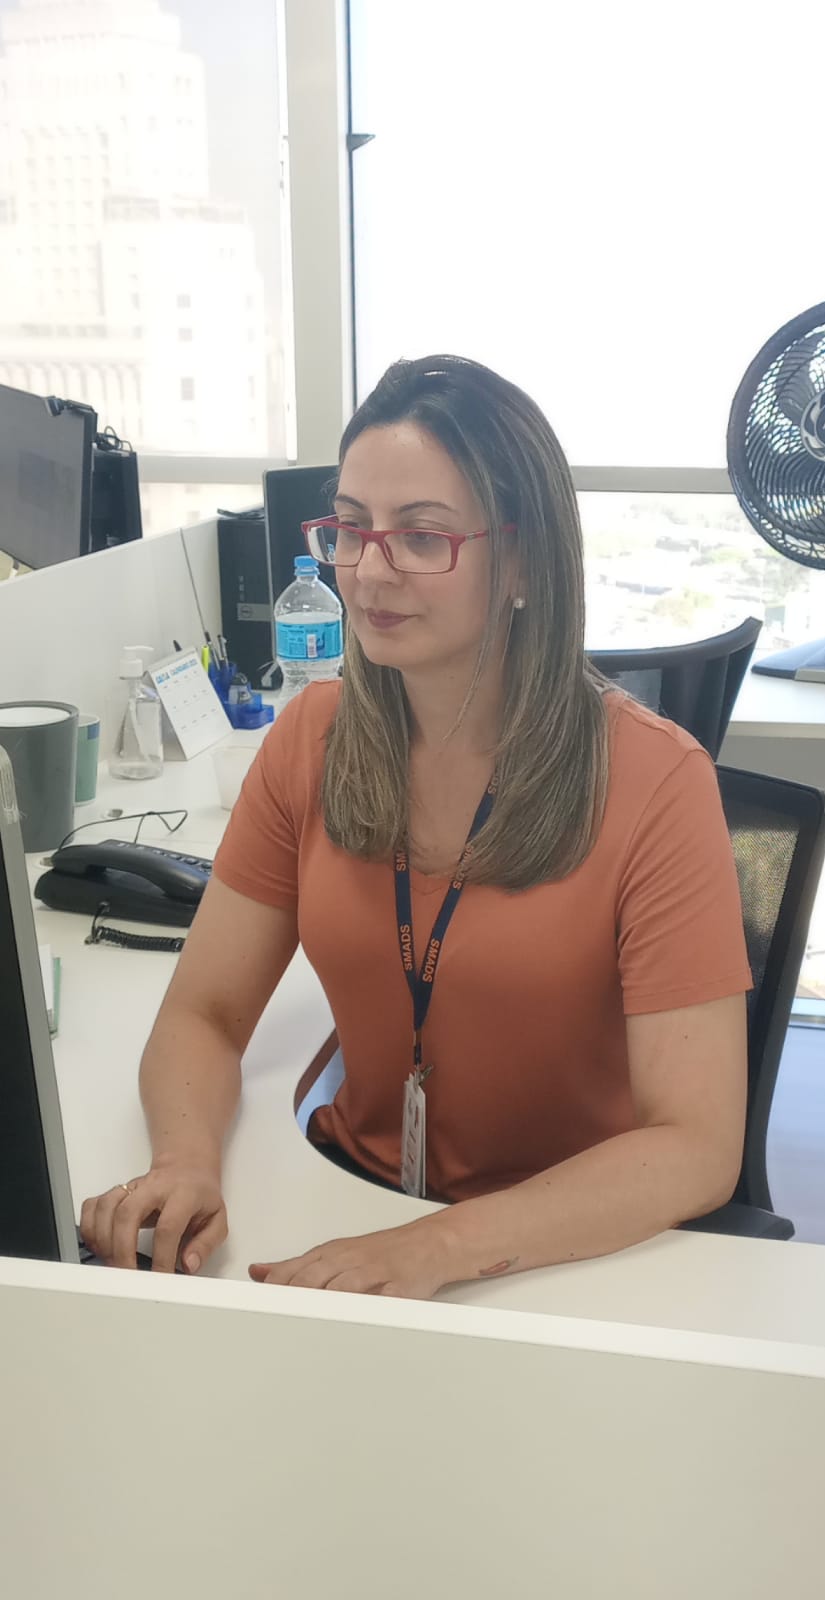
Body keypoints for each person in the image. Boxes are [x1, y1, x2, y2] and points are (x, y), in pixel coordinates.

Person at [79, 355, 752, 1298]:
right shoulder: (310, 743)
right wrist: (184, 1161)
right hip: (348, 1206)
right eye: (349, 529)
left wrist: (436, 1249)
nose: (367, 572)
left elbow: (696, 1145)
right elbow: (206, 1013)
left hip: (556, 1254)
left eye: (422, 538)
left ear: (521, 560)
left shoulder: (656, 781)